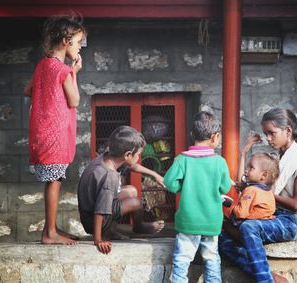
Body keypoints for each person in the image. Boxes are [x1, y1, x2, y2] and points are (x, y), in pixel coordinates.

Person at [219, 108, 297, 283]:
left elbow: (295, 204)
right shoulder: (278, 160)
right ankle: (270, 276)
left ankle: (265, 281)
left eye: (272, 133)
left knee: (248, 227)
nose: (268, 138)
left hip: (292, 220)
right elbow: (245, 185)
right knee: (220, 235)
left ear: (288, 131)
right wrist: (244, 152)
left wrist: (265, 193)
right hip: (271, 216)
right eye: (266, 134)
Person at [24, 13, 86, 245]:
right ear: (65, 41)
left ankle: (52, 227)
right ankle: (49, 233)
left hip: (41, 131)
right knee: (55, 180)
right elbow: (74, 101)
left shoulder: (43, 65)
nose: (80, 47)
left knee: (54, 179)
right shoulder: (62, 70)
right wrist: (74, 74)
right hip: (56, 133)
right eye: (78, 42)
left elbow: (27, 90)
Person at [164, 111, 232, 283]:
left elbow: (169, 183)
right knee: (212, 258)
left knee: (182, 259)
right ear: (215, 137)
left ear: (192, 135)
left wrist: (184, 187)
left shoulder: (182, 159)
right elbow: (224, 187)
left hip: (188, 221)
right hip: (211, 221)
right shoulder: (219, 162)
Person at [77, 126, 165, 254]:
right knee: (135, 203)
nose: (139, 158)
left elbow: (132, 166)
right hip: (93, 220)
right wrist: (98, 239)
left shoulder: (108, 157)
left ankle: (117, 230)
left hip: (92, 208)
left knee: (131, 191)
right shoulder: (109, 177)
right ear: (128, 155)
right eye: (138, 155)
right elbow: (100, 211)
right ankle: (125, 229)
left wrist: (154, 174)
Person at [225, 152, 279, 237]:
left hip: (250, 224)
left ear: (264, 175)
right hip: (265, 222)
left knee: (224, 221)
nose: (246, 170)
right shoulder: (268, 190)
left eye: (251, 168)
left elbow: (241, 213)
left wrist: (231, 204)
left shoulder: (250, 190)